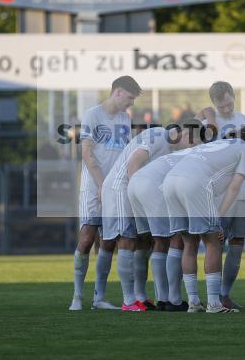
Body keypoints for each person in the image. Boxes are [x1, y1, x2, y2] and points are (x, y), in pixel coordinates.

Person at [101, 120, 201, 312]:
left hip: (132, 188)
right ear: (185, 133)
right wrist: (134, 196)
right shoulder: (160, 136)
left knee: (145, 241)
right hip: (122, 188)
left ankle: (141, 297)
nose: (192, 146)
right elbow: (133, 163)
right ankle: (130, 301)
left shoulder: (168, 148)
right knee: (128, 240)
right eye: (193, 141)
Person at [69, 76, 139, 311]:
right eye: (130, 98)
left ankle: (99, 297)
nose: (131, 103)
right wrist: (101, 185)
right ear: (118, 92)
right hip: (93, 186)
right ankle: (77, 296)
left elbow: (126, 156)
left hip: (114, 188)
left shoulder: (125, 119)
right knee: (88, 237)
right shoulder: (92, 115)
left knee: (109, 242)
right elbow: (87, 154)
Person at [164, 136, 245, 314]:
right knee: (213, 242)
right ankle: (214, 304)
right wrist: (218, 217)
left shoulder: (214, 145)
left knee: (189, 243)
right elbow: (235, 186)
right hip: (194, 181)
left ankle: (193, 302)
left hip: (170, 181)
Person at [195, 80, 245, 308]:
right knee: (215, 243)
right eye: (222, 107)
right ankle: (212, 296)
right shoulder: (207, 122)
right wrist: (205, 115)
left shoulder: (243, 119)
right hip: (218, 193)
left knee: (238, 242)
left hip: (242, 192)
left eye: (229, 104)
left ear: (233, 96)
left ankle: (225, 294)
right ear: (214, 104)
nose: (227, 110)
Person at [126, 146, 196, 311]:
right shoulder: (199, 155)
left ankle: (161, 299)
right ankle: (174, 300)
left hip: (134, 183)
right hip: (153, 186)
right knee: (177, 238)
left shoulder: (177, 153)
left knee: (158, 241)